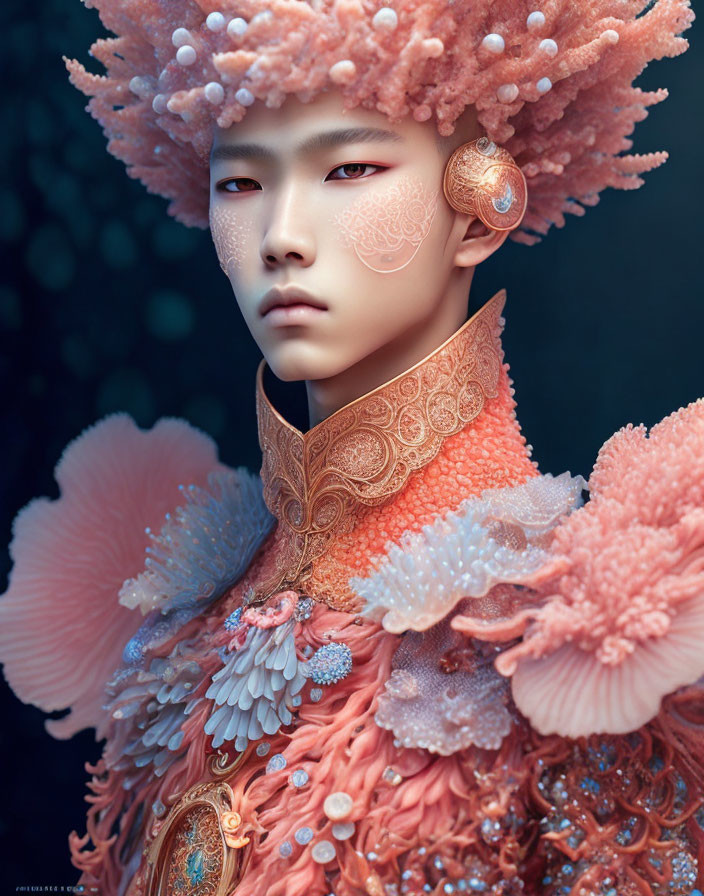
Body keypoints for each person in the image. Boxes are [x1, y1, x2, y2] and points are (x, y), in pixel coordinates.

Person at [0, 0, 701, 894]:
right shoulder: (177, 619)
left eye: (351, 167)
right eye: (242, 185)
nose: (284, 239)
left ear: (482, 206)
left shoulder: (576, 639)